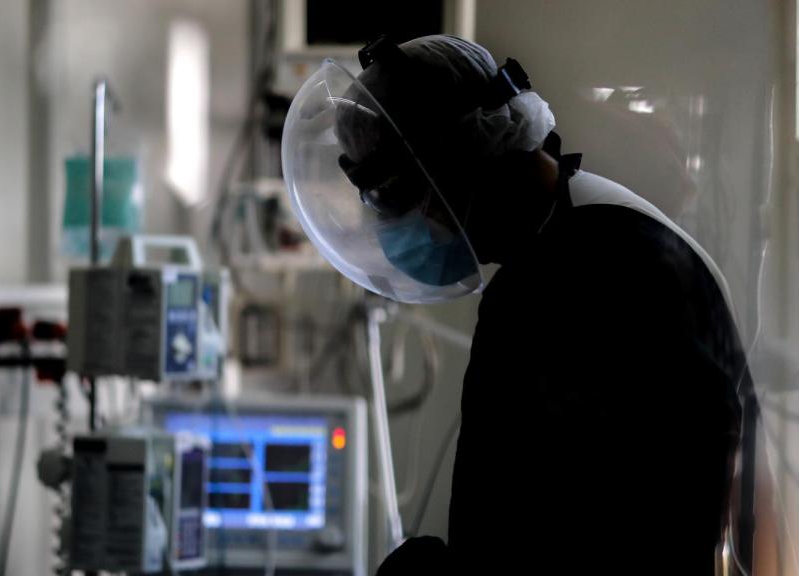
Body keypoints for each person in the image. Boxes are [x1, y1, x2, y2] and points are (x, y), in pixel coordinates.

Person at [281, 35, 748, 573]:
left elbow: (511, 542)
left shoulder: (564, 283)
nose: (397, 229)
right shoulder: (602, 226)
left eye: (397, 202)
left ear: (456, 167)